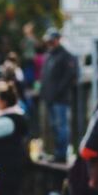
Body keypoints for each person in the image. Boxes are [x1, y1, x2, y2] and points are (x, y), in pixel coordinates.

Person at [38, 28, 77, 163]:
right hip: (49, 98)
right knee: (54, 127)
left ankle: (61, 154)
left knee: (61, 127)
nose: (49, 43)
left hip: (60, 99)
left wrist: (58, 91)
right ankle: (55, 152)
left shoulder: (66, 56)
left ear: (57, 40)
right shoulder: (49, 55)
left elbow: (70, 76)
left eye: (52, 40)